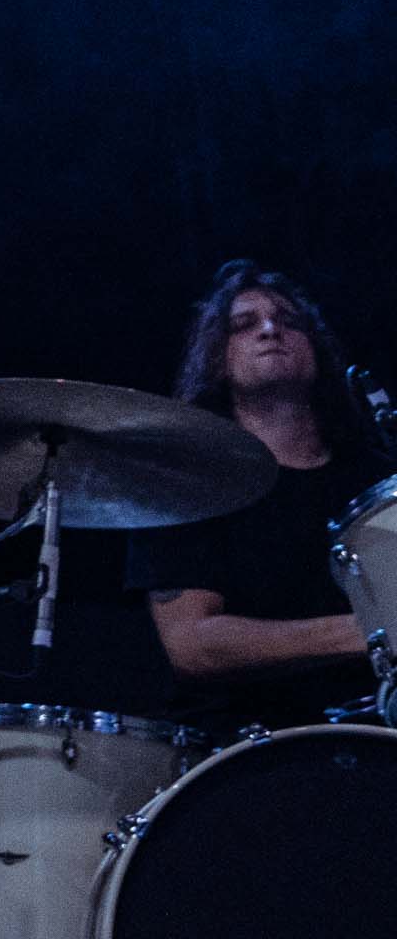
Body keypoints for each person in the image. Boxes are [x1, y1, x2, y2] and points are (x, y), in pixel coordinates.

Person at [128, 261, 388, 734]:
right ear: (216, 359)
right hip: (246, 748)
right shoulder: (187, 483)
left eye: (290, 321)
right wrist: (371, 632)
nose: (271, 330)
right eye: (244, 325)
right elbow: (192, 644)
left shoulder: (375, 476)